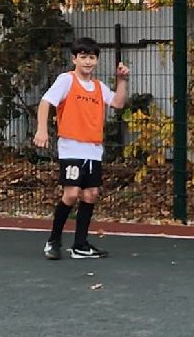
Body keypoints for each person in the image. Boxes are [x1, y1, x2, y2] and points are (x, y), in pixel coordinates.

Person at [34, 37, 128, 259]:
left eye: (92, 57)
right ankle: (53, 241)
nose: (87, 61)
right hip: (71, 148)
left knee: (91, 194)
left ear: (96, 61)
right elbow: (46, 102)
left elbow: (118, 103)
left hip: (93, 150)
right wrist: (41, 130)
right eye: (83, 57)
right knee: (71, 193)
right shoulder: (66, 80)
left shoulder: (98, 87)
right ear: (74, 59)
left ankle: (80, 245)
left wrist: (122, 80)